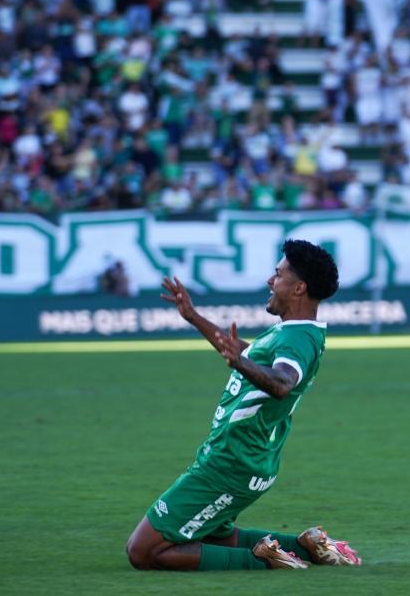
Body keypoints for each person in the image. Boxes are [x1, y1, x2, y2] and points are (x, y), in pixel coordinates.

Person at [125, 240, 360, 571]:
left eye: (278, 275)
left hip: (230, 463)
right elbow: (246, 354)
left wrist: (239, 362)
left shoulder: (297, 339)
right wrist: (195, 318)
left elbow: (281, 382)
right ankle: (306, 545)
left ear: (299, 288)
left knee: (142, 551)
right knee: (212, 538)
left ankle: (266, 561)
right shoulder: (294, 333)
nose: (270, 280)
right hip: (245, 458)